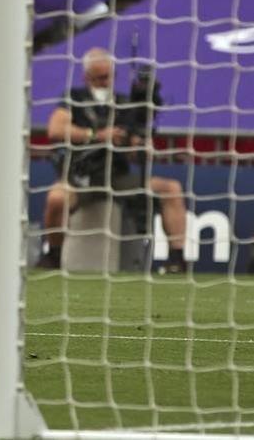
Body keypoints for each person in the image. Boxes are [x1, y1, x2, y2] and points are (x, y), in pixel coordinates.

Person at [37, 48, 188, 273]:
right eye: (99, 78)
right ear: (86, 77)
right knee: (56, 198)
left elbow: (134, 142)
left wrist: (137, 144)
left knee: (171, 188)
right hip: (80, 177)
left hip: (117, 176)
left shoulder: (125, 104)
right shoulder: (74, 98)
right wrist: (96, 135)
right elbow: (55, 129)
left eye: (109, 77)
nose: (105, 83)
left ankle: (177, 258)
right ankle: (54, 254)